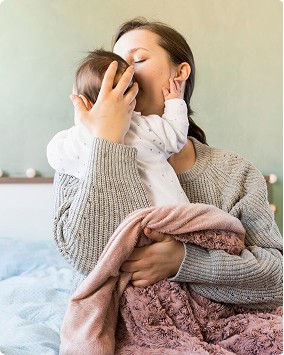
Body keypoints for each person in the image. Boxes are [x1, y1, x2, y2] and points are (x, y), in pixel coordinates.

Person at [52, 17, 282, 310]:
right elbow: (87, 259)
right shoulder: (79, 156)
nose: (125, 74)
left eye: (138, 59)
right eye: (116, 63)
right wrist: (108, 141)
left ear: (180, 72)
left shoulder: (235, 173)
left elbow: (277, 281)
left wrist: (183, 261)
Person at [47, 49, 189, 206]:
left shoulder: (74, 140)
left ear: (82, 102)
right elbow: (176, 135)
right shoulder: (145, 127)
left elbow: (54, 155)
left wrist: (81, 123)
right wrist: (174, 101)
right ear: (133, 97)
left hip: (125, 224)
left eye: (139, 60)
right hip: (172, 212)